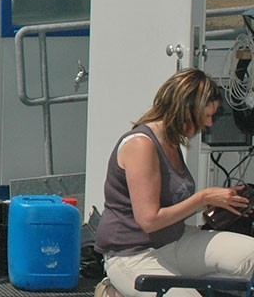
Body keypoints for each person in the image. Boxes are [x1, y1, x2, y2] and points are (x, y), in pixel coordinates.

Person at [94, 68, 254, 297]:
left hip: (175, 240)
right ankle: (112, 288)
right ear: (185, 110)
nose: (208, 124)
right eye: (205, 116)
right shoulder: (141, 145)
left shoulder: (170, 141)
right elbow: (149, 220)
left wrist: (220, 201)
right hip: (132, 253)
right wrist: (204, 197)